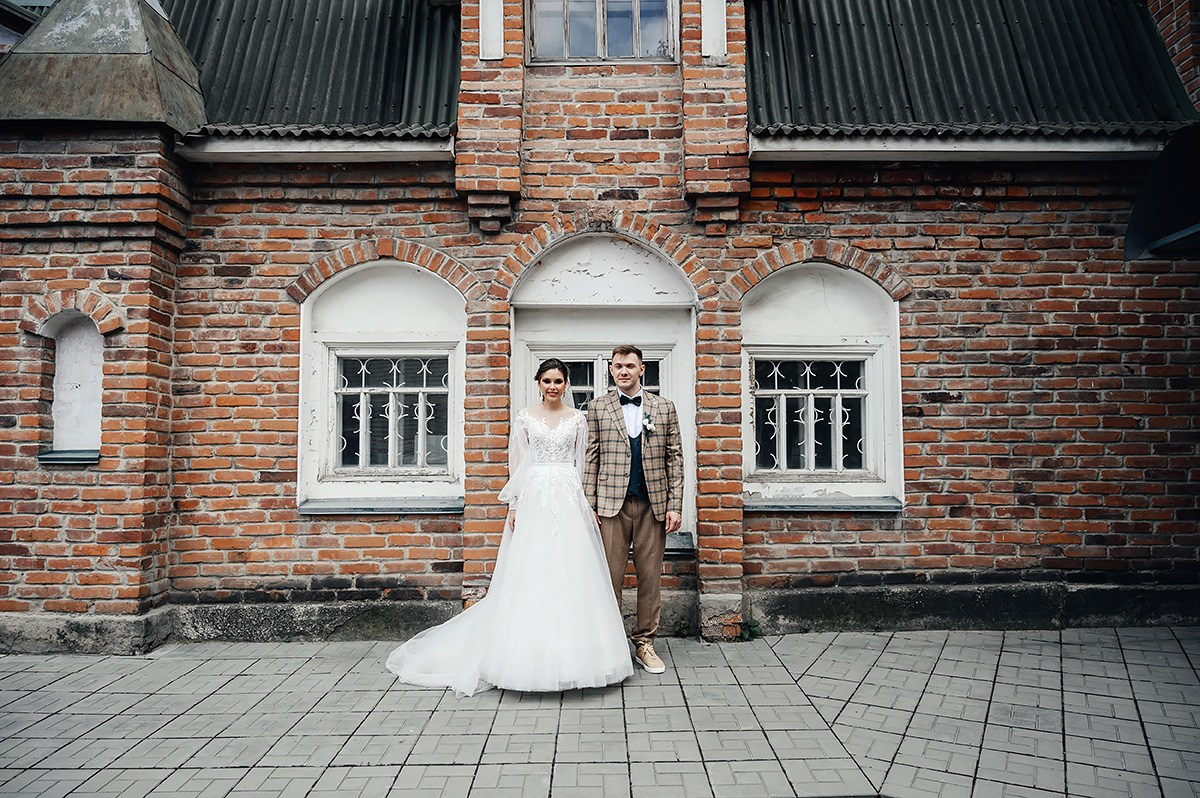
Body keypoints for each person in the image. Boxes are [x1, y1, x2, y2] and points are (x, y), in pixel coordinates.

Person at [386, 358, 633, 696]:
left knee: (571, 570)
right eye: (547, 380)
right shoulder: (525, 417)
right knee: (532, 570)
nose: (552, 387)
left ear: (566, 384)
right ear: (538, 382)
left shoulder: (578, 419)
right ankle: (524, 654)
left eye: (558, 381)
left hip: (568, 496)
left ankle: (578, 655)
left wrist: (586, 504)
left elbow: (582, 464)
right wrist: (515, 505)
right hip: (534, 497)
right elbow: (518, 463)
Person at [584, 345, 684, 675]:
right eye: (617, 366)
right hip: (611, 505)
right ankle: (612, 644)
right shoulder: (597, 408)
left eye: (630, 365)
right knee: (609, 578)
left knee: (649, 578)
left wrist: (675, 505)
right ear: (611, 371)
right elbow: (591, 458)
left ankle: (644, 643)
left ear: (642, 369)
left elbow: (675, 459)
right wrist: (589, 504)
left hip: (652, 504)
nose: (623, 371)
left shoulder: (664, 407)